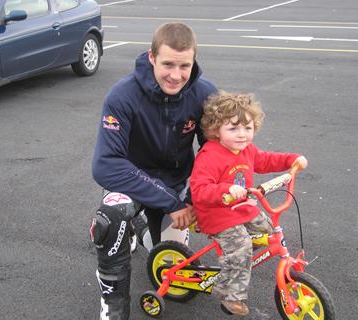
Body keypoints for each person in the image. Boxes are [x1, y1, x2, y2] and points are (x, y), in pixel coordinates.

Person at [91, 22, 217, 319]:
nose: (176, 75)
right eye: (168, 64)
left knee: (172, 272)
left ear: (193, 61)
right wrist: (172, 204)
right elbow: (105, 164)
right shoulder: (121, 95)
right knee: (113, 216)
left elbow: (217, 154)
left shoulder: (206, 93)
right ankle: (114, 303)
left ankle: (148, 227)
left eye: (184, 65)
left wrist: (208, 195)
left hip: (177, 184)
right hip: (131, 183)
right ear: (152, 58)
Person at [189, 91, 307, 316]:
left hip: (242, 207)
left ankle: (233, 257)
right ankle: (230, 295)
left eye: (247, 128)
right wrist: (226, 189)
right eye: (233, 128)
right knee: (242, 246)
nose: (242, 135)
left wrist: (292, 160)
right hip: (217, 213)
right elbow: (199, 189)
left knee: (268, 232)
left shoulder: (247, 150)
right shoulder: (210, 156)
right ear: (216, 130)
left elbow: (265, 160)